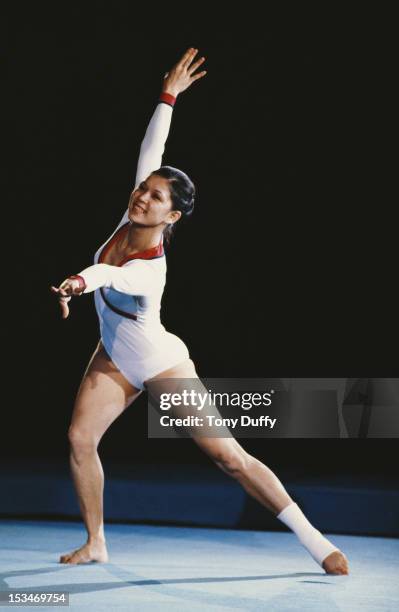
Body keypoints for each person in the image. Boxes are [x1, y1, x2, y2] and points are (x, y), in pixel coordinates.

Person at [51, 48, 349, 575]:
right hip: (113, 354)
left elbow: (107, 277)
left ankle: (315, 541)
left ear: (174, 215)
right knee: (79, 440)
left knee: (228, 458)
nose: (143, 196)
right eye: (143, 188)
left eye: (156, 195)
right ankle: (96, 542)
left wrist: (76, 281)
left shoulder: (150, 267)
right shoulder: (133, 209)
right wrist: (169, 94)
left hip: (159, 364)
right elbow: (153, 146)